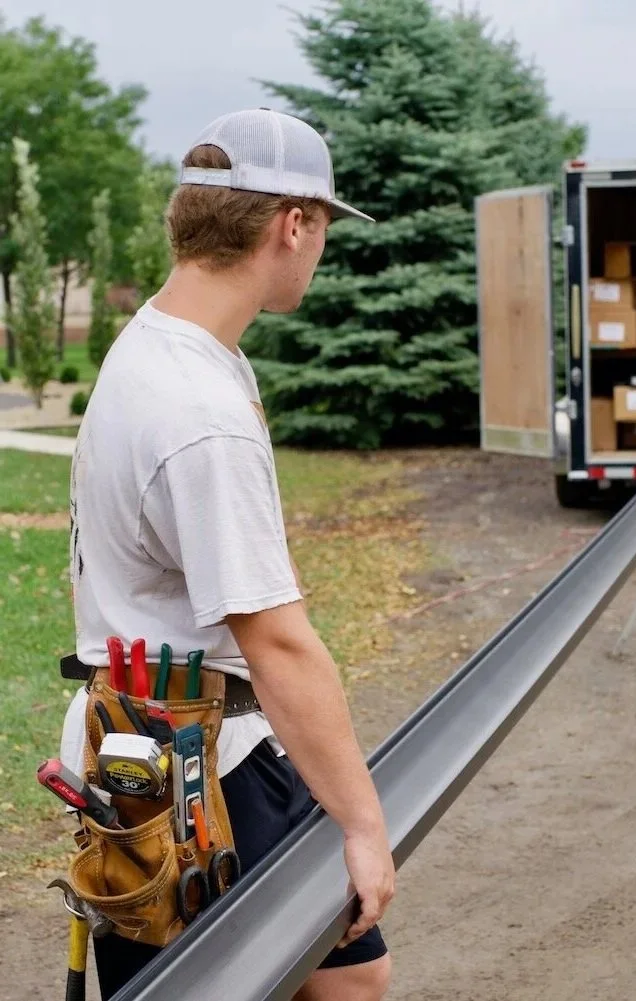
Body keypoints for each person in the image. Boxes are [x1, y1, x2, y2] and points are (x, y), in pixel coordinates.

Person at [59, 109, 394, 1000]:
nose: (319, 249)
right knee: (327, 979)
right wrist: (363, 825)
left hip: (149, 734)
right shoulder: (199, 412)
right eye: (322, 228)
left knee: (337, 974)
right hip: (194, 757)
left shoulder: (165, 343)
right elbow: (277, 641)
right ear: (293, 224)